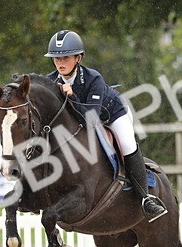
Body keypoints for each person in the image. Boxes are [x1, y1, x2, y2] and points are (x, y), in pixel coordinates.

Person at [44, 29, 167, 222]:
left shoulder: (93, 79)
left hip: (111, 115)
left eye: (65, 57)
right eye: (56, 58)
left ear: (78, 58)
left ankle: (146, 199)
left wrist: (71, 96)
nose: (60, 62)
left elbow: (90, 120)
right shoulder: (50, 81)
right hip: (82, 120)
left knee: (127, 144)